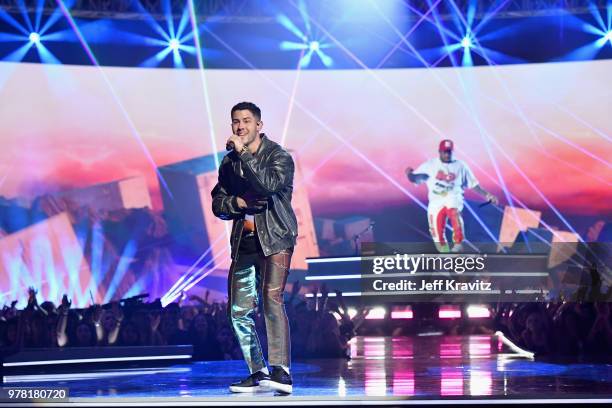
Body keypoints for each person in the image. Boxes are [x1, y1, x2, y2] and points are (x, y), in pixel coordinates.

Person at [211, 102, 297, 394]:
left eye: (246, 121)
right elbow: (218, 202)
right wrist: (237, 203)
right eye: (235, 121)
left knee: (272, 299)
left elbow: (268, 185)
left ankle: (281, 370)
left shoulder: (279, 157)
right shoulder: (230, 162)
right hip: (245, 241)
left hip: (275, 238)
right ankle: (258, 371)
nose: (240, 127)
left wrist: (244, 153)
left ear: (259, 125)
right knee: (238, 310)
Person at [406, 139, 498, 252]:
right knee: (437, 234)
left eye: (449, 152)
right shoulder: (430, 165)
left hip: (453, 197)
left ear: (453, 152)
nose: (447, 154)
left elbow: (473, 185)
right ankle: (446, 256)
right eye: (444, 152)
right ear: (439, 152)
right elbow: (414, 178)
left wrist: (488, 195)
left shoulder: (461, 166)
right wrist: (409, 174)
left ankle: (458, 244)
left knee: (453, 210)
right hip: (436, 202)